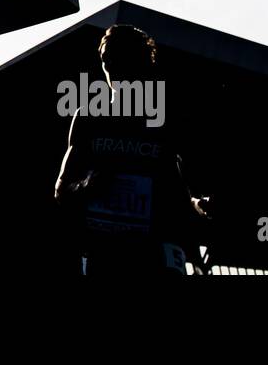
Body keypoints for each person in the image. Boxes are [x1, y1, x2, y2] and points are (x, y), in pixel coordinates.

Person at [54, 24, 210, 275]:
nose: (111, 67)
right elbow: (61, 189)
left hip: (153, 256)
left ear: (142, 64)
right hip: (104, 255)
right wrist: (87, 186)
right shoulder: (89, 118)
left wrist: (197, 205)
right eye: (106, 60)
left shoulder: (163, 121)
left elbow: (177, 192)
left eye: (120, 58)